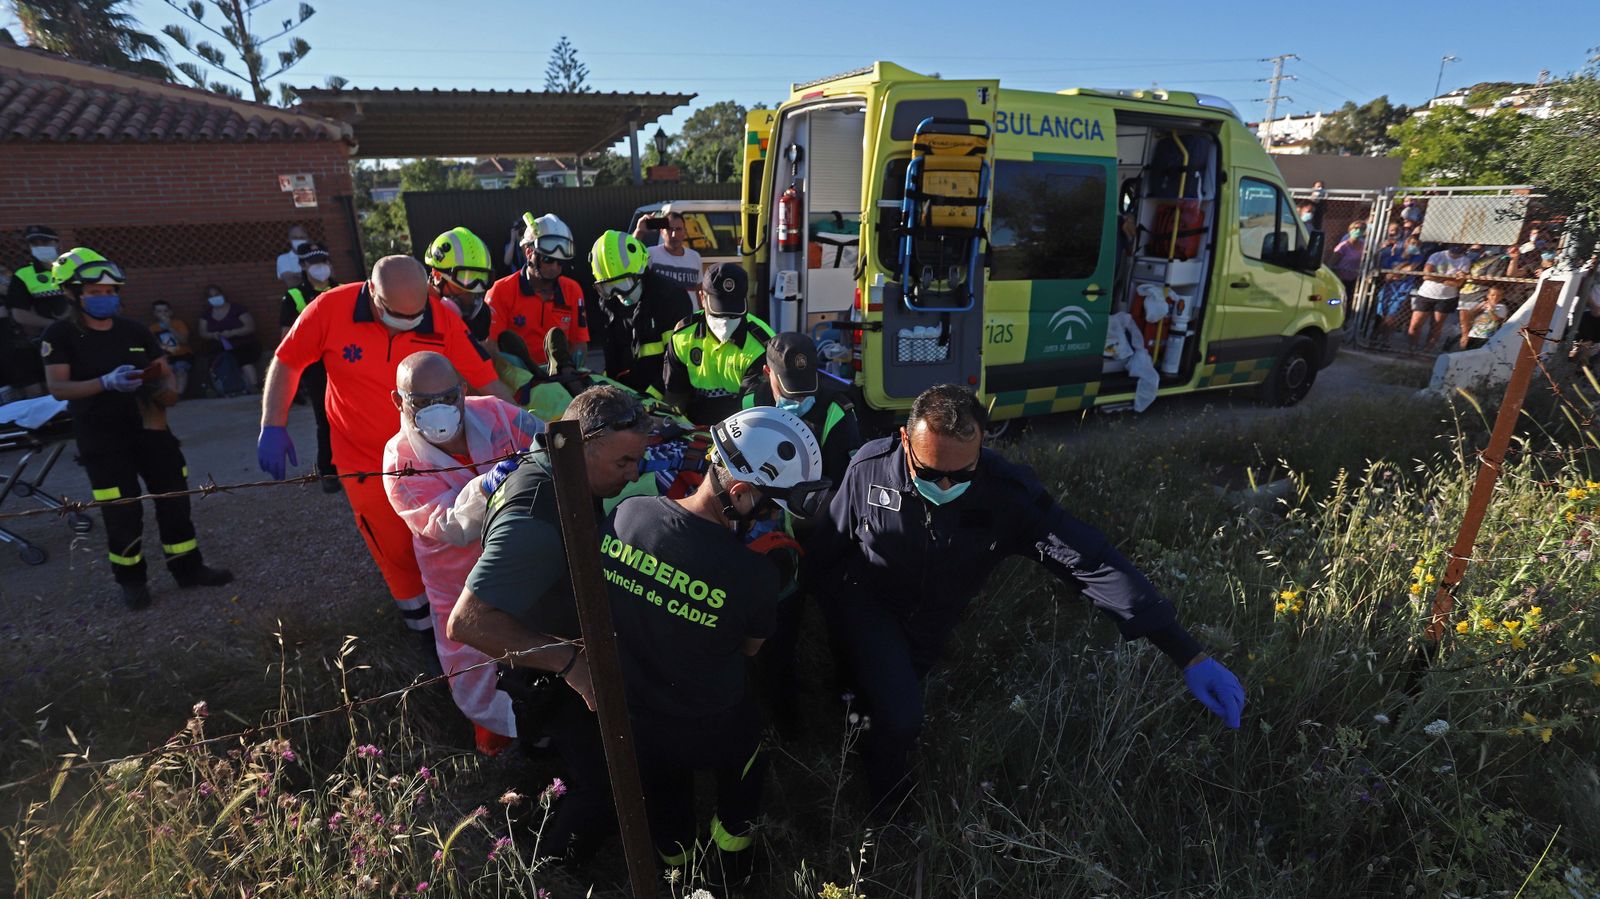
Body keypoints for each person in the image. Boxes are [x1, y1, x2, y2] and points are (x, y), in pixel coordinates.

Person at [806, 384, 1244, 817]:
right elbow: (830, 542)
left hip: (932, 620)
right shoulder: (870, 469)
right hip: (870, 604)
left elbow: (1088, 562)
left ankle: (860, 716)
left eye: (961, 475)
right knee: (901, 717)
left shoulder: (1005, 496)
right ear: (905, 441)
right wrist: (819, 612)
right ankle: (888, 809)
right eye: (928, 472)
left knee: (888, 695)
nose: (944, 484)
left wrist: (1186, 653)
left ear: (982, 447)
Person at [601, 405, 827, 881]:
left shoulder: (627, 515)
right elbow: (749, 650)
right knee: (746, 769)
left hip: (635, 715)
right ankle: (733, 868)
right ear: (740, 493)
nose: (770, 517)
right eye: (769, 505)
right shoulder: (753, 576)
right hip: (712, 721)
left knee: (666, 801)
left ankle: (677, 875)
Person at [258, 256, 514, 650]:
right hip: (363, 459)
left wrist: (529, 432)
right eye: (397, 315)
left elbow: (485, 380)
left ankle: (472, 622)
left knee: (452, 538)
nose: (410, 323)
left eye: (417, 314)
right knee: (394, 549)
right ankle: (423, 636)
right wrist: (273, 423)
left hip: (431, 457)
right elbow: (288, 360)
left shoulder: (440, 317)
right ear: (372, 294)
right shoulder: (329, 309)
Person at [447, 385, 653, 862]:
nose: (634, 472)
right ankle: (552, 872)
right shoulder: (535, 516)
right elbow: (467, 622)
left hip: (556, 656)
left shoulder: (561, 470)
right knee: (609, 785)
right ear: (581, 444)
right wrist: (571, 663)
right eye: (623, 462)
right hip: (549, 670)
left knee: (586, 768)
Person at [41, 248, 233, 609]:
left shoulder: (134, 330)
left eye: (111, 291)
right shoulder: (61, 334)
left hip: (151, 429)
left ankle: (189, 569)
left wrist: (166, 389)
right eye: (95, 292)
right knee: (122, 512)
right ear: (72, 293)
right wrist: (106, 382)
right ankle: (131, 581)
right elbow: (58, 387)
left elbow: (163, 373)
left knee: (174, 501)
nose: (105, 298)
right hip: (102, 437)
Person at [382, 351, 543, 756]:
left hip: (527, 569)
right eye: (421, 402)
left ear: (463, 391)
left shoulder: (496, 414)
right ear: (398, 402)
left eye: (448, 397)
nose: (438, 411)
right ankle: (500, 760)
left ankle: (550, 740)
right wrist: (486, 487)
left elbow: (546, 441)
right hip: (461, 587)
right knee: (479, 673)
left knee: (541, 651)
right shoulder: (400, 461)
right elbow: (451, 527)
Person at [744, 331, 863, 488]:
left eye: (805, 386)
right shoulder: (751, 405)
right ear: (767, 373)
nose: (800, 398)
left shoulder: (836, 412)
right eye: (791, 391)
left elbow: (841, 485)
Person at [662, 263, 773, 425]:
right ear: (702, 298)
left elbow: (754, 411)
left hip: (742, 427)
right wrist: (673, 425)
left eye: (732, 315)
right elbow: (675, 395)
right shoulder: (683, 336)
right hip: (694, 425)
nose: (725, 323)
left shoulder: (761, 345)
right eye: (719, 314)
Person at [588, 230, 693, 399]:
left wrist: (648, 399)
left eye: (623, 283)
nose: (619, 293)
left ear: (641, 271)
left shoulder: (671, 298)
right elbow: (612, 359)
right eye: (609, 287)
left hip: (665, 398)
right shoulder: (608, 303)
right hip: (625, 398)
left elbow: (679, 363)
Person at [486, 214, 589, 368]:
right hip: (519, 378)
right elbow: (490, 348)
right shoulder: (500, 291)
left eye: (560, 262)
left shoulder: (573, 290)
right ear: (529, 253)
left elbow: (579, 344)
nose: (554, 267)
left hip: (560, 376)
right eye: (548, 259)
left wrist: (570, 372)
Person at [280, 242, 340, 490]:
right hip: (316, 368)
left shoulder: (341, 290)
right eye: (314, 263)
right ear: (304, 265)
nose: (321, 267)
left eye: (324, 261)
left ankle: (361, 466)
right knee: (325, 421)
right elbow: (287, 338)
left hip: (346, 363)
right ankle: (328, 472)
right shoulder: (294, 296)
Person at [3, 224, 70, 398]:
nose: (41, 246)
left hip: (85, 333)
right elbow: (19, 313)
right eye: (35, 243)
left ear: (58, 244)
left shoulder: (74, 267)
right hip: (49, 340)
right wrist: (53, 324)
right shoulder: (24, 275)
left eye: (45, 241)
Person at [423, 227, 496, 345]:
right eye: (466, 278)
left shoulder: (479, 320)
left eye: (481, 278)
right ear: (436, 275)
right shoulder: (415, 318)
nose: (472, 292)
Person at [1408, 243, 1471, 351]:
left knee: (1436, 326)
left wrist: (1437, 277)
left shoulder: (1465, 260)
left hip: (1446, 297)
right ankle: (1412, 348)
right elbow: (1426, 275)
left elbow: (1458, 283)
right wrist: (1446, 279)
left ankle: (1427, 350)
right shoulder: (1437, 255)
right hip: (1426, 293)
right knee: (1415, 325)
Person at [198, 284, 260, 392]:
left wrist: (233, 333)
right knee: (215, 360)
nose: (214, 298)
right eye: (211, 296)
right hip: (219, 345)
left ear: (222, 295)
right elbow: (202, 332)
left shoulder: (237, 309)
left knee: (243, 358)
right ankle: (222, 389)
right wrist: (213, 335)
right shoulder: (206, 314)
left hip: (242, 343)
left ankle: (254, 385)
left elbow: (250, 327)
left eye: (216, 294)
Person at [1374, 234, 1424, 346]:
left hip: (1402, 289)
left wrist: (1398, 269)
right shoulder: (1393, 256)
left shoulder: (1417, 258)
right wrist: (1398, 270)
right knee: (1382, 314)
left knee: (1391, 316)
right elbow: (1387, 275)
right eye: (1413, 244)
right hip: (1388, 288)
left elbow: (1410, 269)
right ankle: (1376, 337)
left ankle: (1382, 340)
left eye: (1417, 245)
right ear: (1406, 243)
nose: (1415, 247)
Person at [637, 210, 703, 291]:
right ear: (661, 232)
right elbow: (628, 258)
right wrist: (639, 232)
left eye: (678, 229)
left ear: (685, 232)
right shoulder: (651, 254)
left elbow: (699, 291)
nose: (674, 234)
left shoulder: (695, 257)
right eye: (669, 229)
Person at [148, 300, 194, 396]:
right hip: (165, 356)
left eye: (165, 311)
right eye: (159, 311)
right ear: (154, 313)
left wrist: (170, 327)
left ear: (170, 312)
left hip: (182, 354)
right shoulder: (153, 328)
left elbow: (183, 340)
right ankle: (171, 394)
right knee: (167, 371)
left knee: (180, 369)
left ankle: (179, 394)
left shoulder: (178, 323)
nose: (163, 314)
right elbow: (153, 346)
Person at [1463, 286, 1510, 350]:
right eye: (1492, 295)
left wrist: (1491, 310)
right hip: (1474, 334)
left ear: (1502, 297)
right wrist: (1478, 308)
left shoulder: (1501, 307)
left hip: (1487, 336)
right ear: (1488, 296)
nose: (1495, 297)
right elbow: (1470, 315)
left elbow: (1497, 320)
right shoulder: (1482, 304)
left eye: (1498, 295)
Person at [1330, 220, 1365, 301]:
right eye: (1356, 228)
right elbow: (1332, 261)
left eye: (1362, 229)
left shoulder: (1363, 245)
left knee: (1350, 299)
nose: (1358, 231)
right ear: (1350, 230)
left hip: (1354, 278)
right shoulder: (1343, 246)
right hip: (1341, 277)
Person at [276, 224, 311, 289]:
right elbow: (291, 282)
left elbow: (328, 277)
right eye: (295, 238)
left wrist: (297, 275)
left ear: (307, 239)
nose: (299, 241)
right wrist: (312, 275)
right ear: (289, 239)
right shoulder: (283, 259)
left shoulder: (316, 255)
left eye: (302, 238)